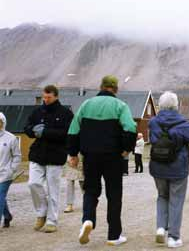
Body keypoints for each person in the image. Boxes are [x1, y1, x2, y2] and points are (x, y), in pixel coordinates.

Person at [68, 76, 137, 246]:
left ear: (101, 87)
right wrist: (126, 149)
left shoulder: (86, 104)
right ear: (116, 89)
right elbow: (130, 128)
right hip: (113, 156)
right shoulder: (120, 106)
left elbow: (73, 130)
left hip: (90, 155)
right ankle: (114, 236)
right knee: (114, 194)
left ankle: (88, 220)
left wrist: (73, 154)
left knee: (91, 190)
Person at [149, 91, 189, 248]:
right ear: (176, 106)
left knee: (162, 196)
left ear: (160, 106)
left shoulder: (153, 122)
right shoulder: (184, 124)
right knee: (176, 200)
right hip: (178, 168)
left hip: (157, 166)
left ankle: (161, 227)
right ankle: (173, 237)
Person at [25, 85, 74, 233]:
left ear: (56, 96)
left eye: (48, 97)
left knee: (53, 190)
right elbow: (26, 127)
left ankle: (52, 221)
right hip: (37, 154)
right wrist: (33, 131)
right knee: (33, 183)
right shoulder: (37, 112)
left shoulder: (66, 113)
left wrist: (45, 132)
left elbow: (66, 134)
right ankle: (41, 213)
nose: (45, 100)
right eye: (44, 97)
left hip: (56, 155)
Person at [0, 112, 21, 228]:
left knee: (0, 195)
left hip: (5, 174)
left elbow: (17, 156)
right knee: (0, 197)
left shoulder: (11, 138)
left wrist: (11, 170)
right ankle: (7, 216)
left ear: (3, 123)